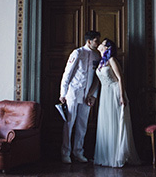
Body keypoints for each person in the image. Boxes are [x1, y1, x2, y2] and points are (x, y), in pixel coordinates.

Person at [93, 38, 141, 167]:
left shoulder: (112, 60)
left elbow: (120, 78)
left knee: (116, 122)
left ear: (107, 48)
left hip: (114, 92)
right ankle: (107, 156)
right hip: (105, 94)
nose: (99, 45)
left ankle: (118, 155)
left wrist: (121, 96)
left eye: (102, 44)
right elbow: (99, 81)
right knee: (107, 123)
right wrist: (91, 95)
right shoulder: (101, 63)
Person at [59, 30, 101, 164]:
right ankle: (65, 153)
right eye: (96, 40)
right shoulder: (77, 53)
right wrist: (63, 93)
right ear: (89, 41)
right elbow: (67, 74)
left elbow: (97, 78)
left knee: (82, 124)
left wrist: (93, 96)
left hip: (87, 95)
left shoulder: (96, 56)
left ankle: (78, 152)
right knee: (69, 123)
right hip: (73, 92)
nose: (98, 43)